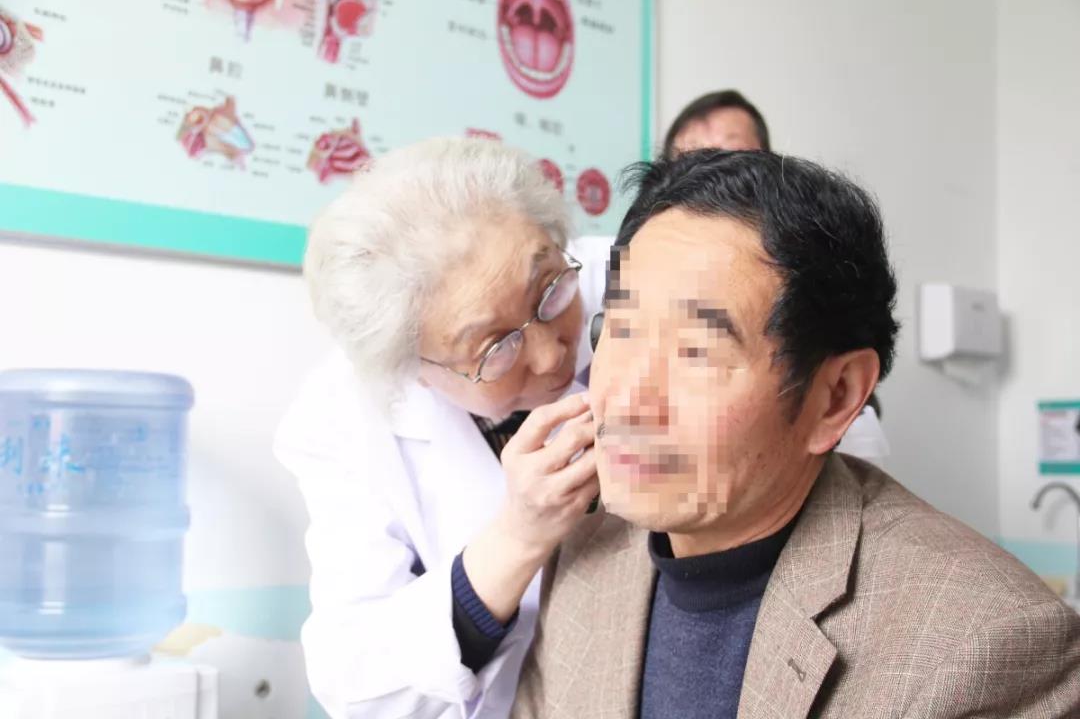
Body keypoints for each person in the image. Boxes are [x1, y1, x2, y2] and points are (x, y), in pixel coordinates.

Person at [511, 150, 1080, 718]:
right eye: (621, 329)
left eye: (696, 351)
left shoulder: (984, 646)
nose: (627, 398)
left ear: (835, 398)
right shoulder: (582, 553)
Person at [274, 137, 610, 718]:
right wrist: (518, 537)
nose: (550, 355)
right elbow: (355, 683)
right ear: (416, 372)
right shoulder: (343, 421)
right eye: (496, 349)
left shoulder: (632, 279)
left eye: (550, 291)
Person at [664, 88, 889, 466]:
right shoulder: (635, 267)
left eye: (733, 157)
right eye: (691, 163)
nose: (712, 177)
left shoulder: (810, 260)